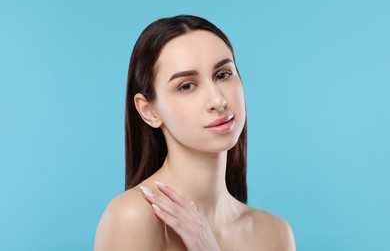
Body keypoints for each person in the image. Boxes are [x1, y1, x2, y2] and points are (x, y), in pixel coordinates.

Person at [94, 15, 295, 250]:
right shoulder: (132, 217)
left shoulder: (275, 233)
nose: (218, 100)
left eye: (223, 74)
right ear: (149, 111)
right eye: (186, 86)